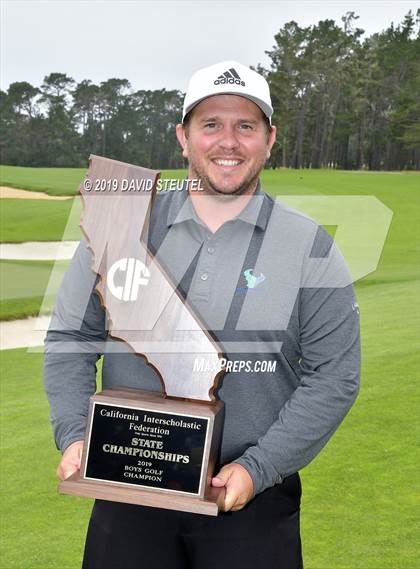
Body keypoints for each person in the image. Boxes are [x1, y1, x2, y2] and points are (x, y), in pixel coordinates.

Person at [44, 60, 360, 569]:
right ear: (183, 136)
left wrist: (258, 469)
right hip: (128, 489)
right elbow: (70, 339)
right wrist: (76, 435)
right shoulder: (120, 227)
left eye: (246, 126)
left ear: (270, 139)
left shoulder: (310, 246)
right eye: (210, 124)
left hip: (250, 496)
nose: (228, 142)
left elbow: (335, 377)